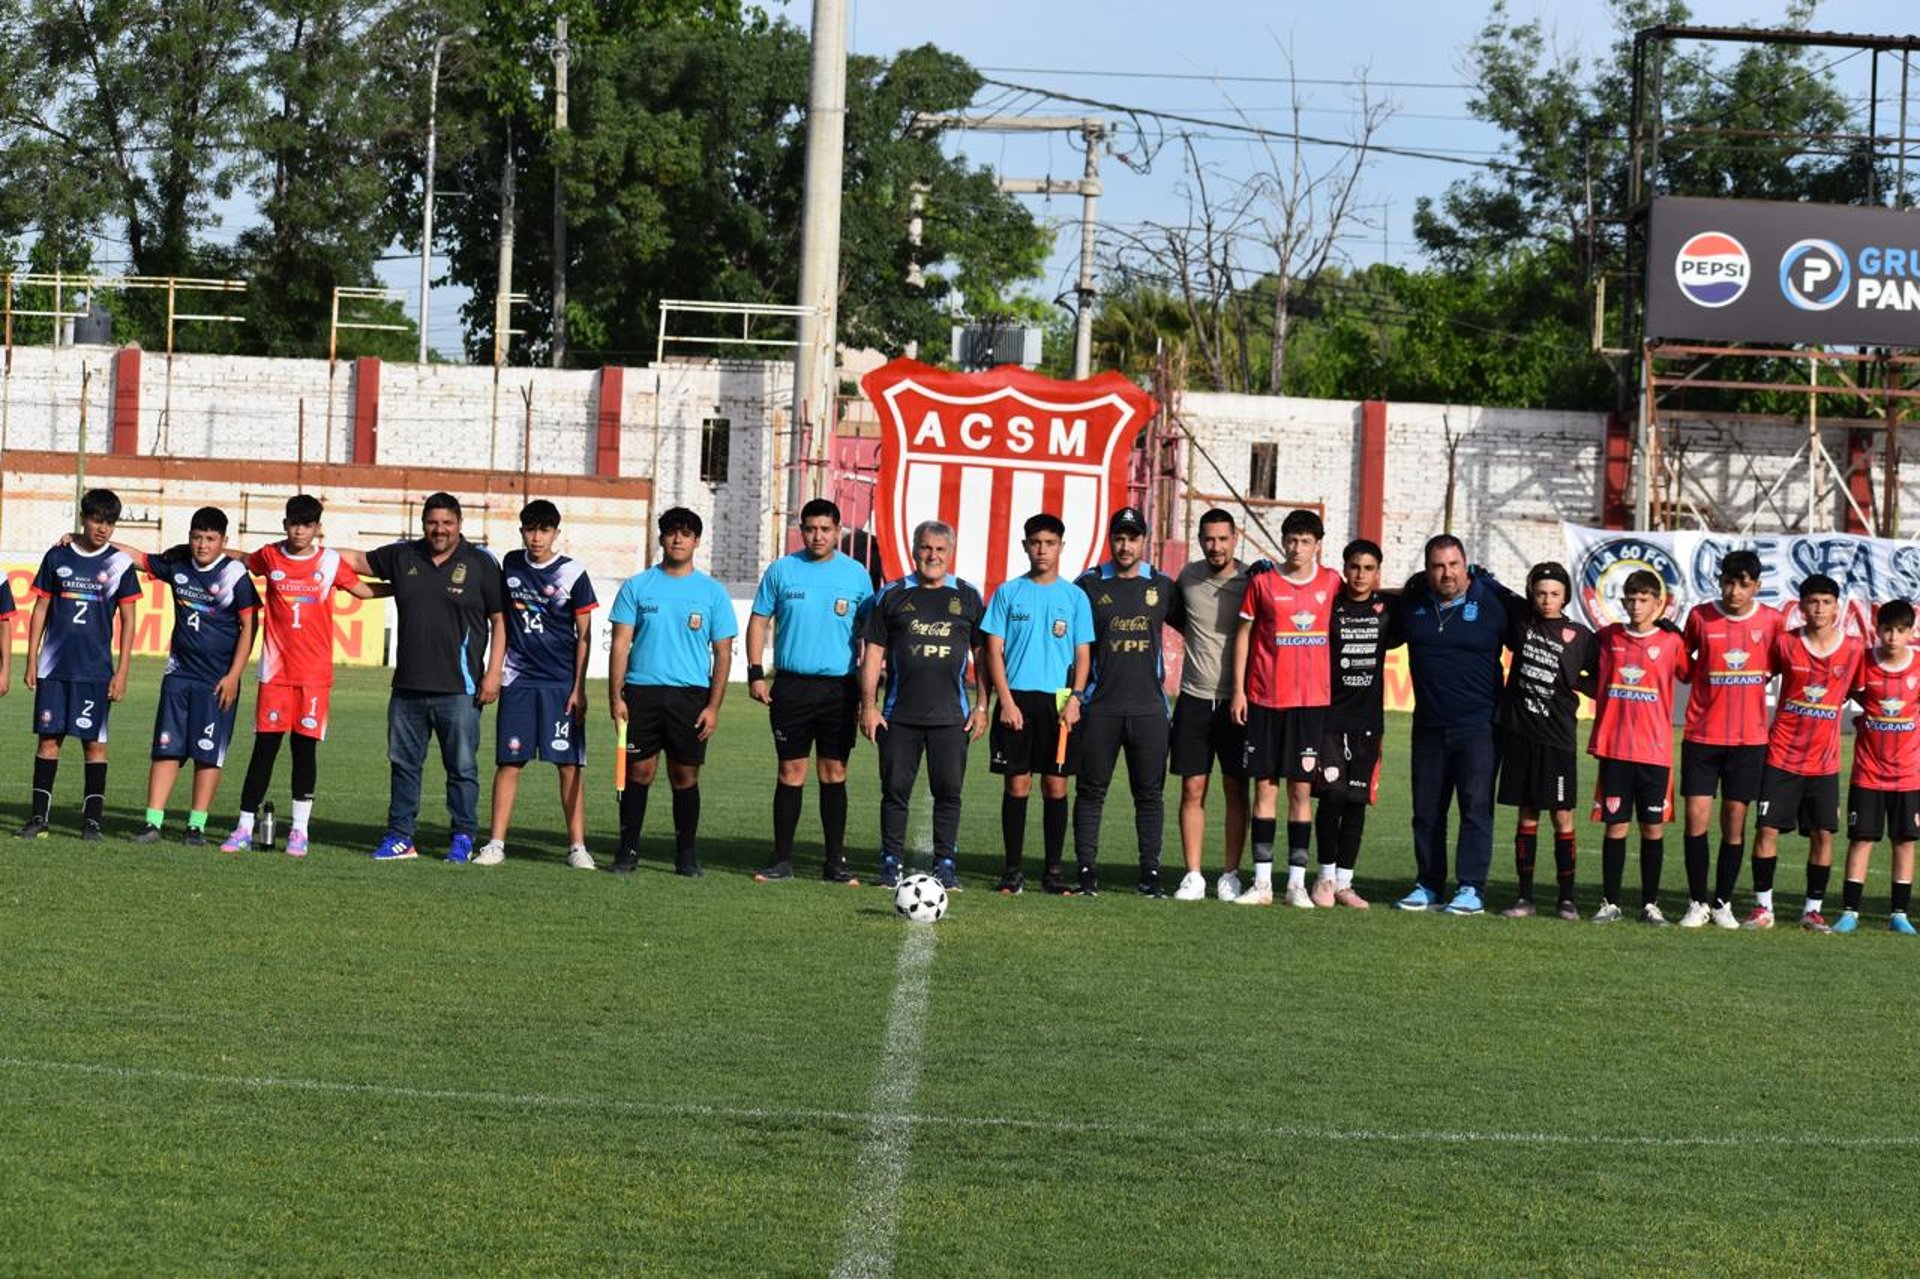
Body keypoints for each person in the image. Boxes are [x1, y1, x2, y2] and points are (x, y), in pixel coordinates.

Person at [343, 493, 507, 863]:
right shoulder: (404, 556)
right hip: (407, 688)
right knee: (403, 765)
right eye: (433, 522)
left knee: (462, 769)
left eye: (447, 522)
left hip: (460, 690)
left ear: (460, 524)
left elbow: (500, 621)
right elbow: (355, 560)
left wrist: (494, 673)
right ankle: (401, 837)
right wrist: (301, 552)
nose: (440, 529)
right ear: (423, 524)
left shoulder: (481, 563)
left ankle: (463, 837)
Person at [219, 494, 382, 856]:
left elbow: (363, 591)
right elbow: (245, 560)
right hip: (275, 674)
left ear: (317, 528)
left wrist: (409, 590)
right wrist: (204, 549)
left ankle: (299, 831)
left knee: (304, 751)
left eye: (306, 525)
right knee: (264, 750)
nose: (299, 530)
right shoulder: (270, 555)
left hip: (313, 676)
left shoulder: (329, 562)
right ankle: (244, 826)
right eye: (293, 523)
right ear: (285, 525)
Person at [745, 498, 874, 885]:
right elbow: (758, 621)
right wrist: (755, 672)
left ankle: (835, 862)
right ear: (801, 531)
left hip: (840, 688)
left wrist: (869, 689)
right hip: (791, 686)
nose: (817, 535)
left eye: (825, 529)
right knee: (791, 770)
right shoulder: (782, 571)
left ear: (837, 531)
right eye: (810, 528)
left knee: (834, 771)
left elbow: (872, 636)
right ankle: (781, 859)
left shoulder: (856, 575)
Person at [608, 506, 736, 876]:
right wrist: (616, 696)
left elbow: (723, 653)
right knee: (639, 773)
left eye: (685, 533)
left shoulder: (712, 593)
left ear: (696, 541)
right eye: (671, 532)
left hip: (690, 697)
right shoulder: (637, 586)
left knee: (685, 777)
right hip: (642, 694)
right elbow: (620, 645)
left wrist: (713, 706)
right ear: (661, 538)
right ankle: (627, 850)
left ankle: (686, 854)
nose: (677, 539)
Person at [859, 519, 987, 890]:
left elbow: (984, 654)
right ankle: (889, 863)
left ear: (950, 553)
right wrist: (869, 706)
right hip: (900, 715)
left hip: (952, 717)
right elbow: (873, 654)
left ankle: (946, 864)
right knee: (895, 791)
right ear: (915, 550)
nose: (932, 555)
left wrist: (982, 706)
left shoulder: (967, 596)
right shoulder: (892, 595)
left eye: (940, 549)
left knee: (949, 792)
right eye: (926, 548)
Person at [1390, 535, 1514, 916]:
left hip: (1480, 728)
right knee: (1427, 811)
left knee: (1476, 809)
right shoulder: (1412, 605)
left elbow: (1541, 628)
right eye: (1438, 566)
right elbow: (1365, 609)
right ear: (1427, 570)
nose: (1447, 573)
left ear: (1466, 565)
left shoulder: (1494, 603)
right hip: (1428, 726)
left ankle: (1471, 888)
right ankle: (1428, 884)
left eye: (1453, 565)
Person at [122, 508, 261, 846]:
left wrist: (234, 676)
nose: (202, 545)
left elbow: (249, 626)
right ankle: (152, 822)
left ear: (223, 541)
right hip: (179, 675)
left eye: (210, 539)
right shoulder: (178, 566)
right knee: (166, 749)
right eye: (197, 537)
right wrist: (84, 540)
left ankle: (195, 826)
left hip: (217, 682)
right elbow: (137, 558)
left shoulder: (234, 575)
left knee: (207, 753)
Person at [1230, 509, 1342, 908]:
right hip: (1265, 700)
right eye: (1292, 540)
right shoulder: (1262, 582)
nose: (1297, 548)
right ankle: (1262, 884)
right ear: (1283, 540)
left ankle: (1296, 883)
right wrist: (1240, 691)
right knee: (1265, 787)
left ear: (1317, 545)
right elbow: (1242, 635)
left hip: (1311, 703)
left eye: (1305, 541)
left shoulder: (1331, 583)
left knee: (1300, 790)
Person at [477, 500, 598, 870]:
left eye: (544, 530)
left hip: (560, 683)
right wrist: (493, 671)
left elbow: (585, 636)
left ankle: (577, 847)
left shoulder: (573, 574)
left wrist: (579, 687)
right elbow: (498, 620)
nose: (536, 537)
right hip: (518, 679)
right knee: (510, 762)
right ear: (521, 531)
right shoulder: (509, 565)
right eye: (530, 529)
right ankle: (496, 843)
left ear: (556, 534)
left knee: (568, 765)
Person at [1072, 506, 1185, 897]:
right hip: (1099, 707)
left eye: (1132, 538)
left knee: (1149, 795)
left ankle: (1150, 874)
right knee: (1090, 791)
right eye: (1119, 537)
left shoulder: (1163, 586)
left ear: (1144, 540)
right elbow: (1071, 642)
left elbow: (1201, 626)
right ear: (1110, 540)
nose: (1125, 545)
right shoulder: (1088, 585)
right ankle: (1086, 870)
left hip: (1149, 709)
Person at [17, 488, 142, 840]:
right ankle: (39, 818)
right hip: (54, 669)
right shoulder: (57, 557)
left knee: (94, 745)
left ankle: (92, 822)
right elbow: (40, 609)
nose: (102, 528)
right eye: (96, 520)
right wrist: (31, 660)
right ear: (83, 517)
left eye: (109, 522)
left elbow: (130, 620)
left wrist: (123, 671)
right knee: (48, 741)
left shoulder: (119, 564)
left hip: (96, 671)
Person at [1743, 574, 1864, 932]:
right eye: (1813, 601)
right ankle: (1763, 908)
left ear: (1837, 607)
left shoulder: (1854, 649)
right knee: (1766, 829)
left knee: (1823, 834)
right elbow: (1756, 680)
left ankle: (1812, 910)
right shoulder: (1784, 644)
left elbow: (1861, 694)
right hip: (1780, 756)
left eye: (1827, 602)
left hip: (1824, 763)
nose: (1820, 609)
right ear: (1802, 606)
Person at [983, 512, 1092, 895]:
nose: (1042, 549)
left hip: (1060, 702)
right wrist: (1006, 702)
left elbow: (1082, 655)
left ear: (1061, 547)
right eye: (1035, 542)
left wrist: (1076, 699)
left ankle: (1053, 873)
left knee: (1056, 787)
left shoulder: (1075, 597)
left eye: (1049, 543)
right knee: (1017, 785)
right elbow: (992, 652)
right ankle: (1012, 872)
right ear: (1025, 545)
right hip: (1018, 699)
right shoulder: (1008, 593)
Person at [1677, 550, 1781, 928]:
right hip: (1702, 735)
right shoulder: (1700, 617)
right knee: (1695, 821)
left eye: (1743, 584)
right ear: (1720, 581)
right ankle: (1696, 902)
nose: (1734, 590)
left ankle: (1722, 903)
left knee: (1734, 824)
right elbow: (1683, 663)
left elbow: (1781, 661)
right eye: (1728, 581)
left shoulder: (1772, 621)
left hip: (1748, 740)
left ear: (1757, 586)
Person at [1586, 570, 1691, 924]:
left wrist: (1683, 637)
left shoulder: (1671, 642)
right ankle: (1609, 902)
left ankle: (1650, 904)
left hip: (1655, 752)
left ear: (1659, 603)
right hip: (1615, 749)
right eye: (1631, 598)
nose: (1636, 605)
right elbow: (1582, 669)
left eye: (1644, 599)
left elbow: (1690, 673)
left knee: (1652, 828)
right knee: (1615, 827)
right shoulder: (1607, 638)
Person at [1494, 562, 1596, 920]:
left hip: (1559, 739)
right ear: (1531, 594)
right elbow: (1497, 591)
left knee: (1562, 817)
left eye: (1554, 594)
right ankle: (1525, 897)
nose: (1547, 599)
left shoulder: (1581, 636)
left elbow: (1601, 680)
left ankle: (1566, 899)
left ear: (1566, 596)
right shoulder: (1522, 621)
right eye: (1540, 593)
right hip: (1521, 736)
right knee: (1527, 815)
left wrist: (1576, 683)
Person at [1170, 509, 1251, 901]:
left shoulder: (1253, 579)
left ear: (1236, 537)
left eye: (1223, 538)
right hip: (1194, 698)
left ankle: (1231, 874)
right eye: (1209, 539)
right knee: (1192, 787)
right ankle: (1194, 875)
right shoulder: (1188, 577)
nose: (1216, 546)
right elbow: (1180, 621)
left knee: (1236, 788)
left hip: (1238, 701)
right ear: (1200, 539)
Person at [1311, 538, 1396, 909]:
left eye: (1368, 568)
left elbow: (1423, 591)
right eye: (1354, 567)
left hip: (1368, 723)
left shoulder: (1389, 610)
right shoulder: (1330, 606)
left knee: (1357, 802)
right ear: (1344, 568)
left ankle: (1346, 882)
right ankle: (1325, 877)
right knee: (1332, 797)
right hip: (1329, 718)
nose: (1360, 575)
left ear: (1377, 573)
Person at [1835, 600, 1920, 935]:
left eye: (1900, 630)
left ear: (1911, 631)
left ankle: (1899, 914)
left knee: (1904, 841)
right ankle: (1849, 912)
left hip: (1908, 774)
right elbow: (1850, 693)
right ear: (1877, 629)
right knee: (1862, 840)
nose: (1892, 637)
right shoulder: (1864, 662)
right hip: (1868, 771)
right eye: (1887, 629)